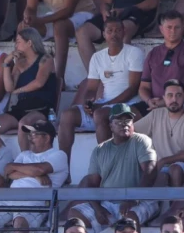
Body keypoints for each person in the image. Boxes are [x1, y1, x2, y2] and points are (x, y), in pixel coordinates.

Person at [60, 15, 144, 161]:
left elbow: (133, 88)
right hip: (105, 104)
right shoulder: (97, 57)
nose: (114, 34)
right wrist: (88, 103)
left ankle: (106, 165)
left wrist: (104, 105)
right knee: (67, 115)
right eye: (110, 31)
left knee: (100, 114)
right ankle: (63, 169)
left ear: (124, 32)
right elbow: (92, 88)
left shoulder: (134, 53)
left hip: (130, 105)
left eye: (118, 30)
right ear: (104, 34)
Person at [66, 103, 158, 229]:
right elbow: (92, 183)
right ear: (111, 126)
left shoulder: (141, 141)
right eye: (118, 120)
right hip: (108, 203)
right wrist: (97, 209)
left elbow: (150, 172)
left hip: (140, 199)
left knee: (129, 219)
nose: (124, 123)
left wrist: (133, 199)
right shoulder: (100, 150)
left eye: (127, 120)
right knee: (74, 214)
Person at [136, 10, 184, 117]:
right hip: (155, 104)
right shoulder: (153, 53)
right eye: (169, 27)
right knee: (124, 117)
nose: (173, 31)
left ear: (182, 28)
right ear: (161, 29)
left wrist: (167, 102)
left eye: (177, 27)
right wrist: (148, 100)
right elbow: (144, 86)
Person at [134, 80, 184, 187]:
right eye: (170, 95)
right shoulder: (156, 114)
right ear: (164, 98)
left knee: (175, 169)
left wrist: (165, 160)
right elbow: (132, 133)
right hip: (159, 165)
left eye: (178, 95)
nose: (174, 99)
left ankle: (176, 202)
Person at [0, 27, 58, 140]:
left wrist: (19, 90)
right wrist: (6, 63)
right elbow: (9, 88)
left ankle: (24, 156)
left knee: (23, 125)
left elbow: (39, 83)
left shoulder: (46, 58)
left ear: (29, 42)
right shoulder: (20, 63)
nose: (16, 45)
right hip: (22, 107)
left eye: (18, 41)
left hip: (41, 108)